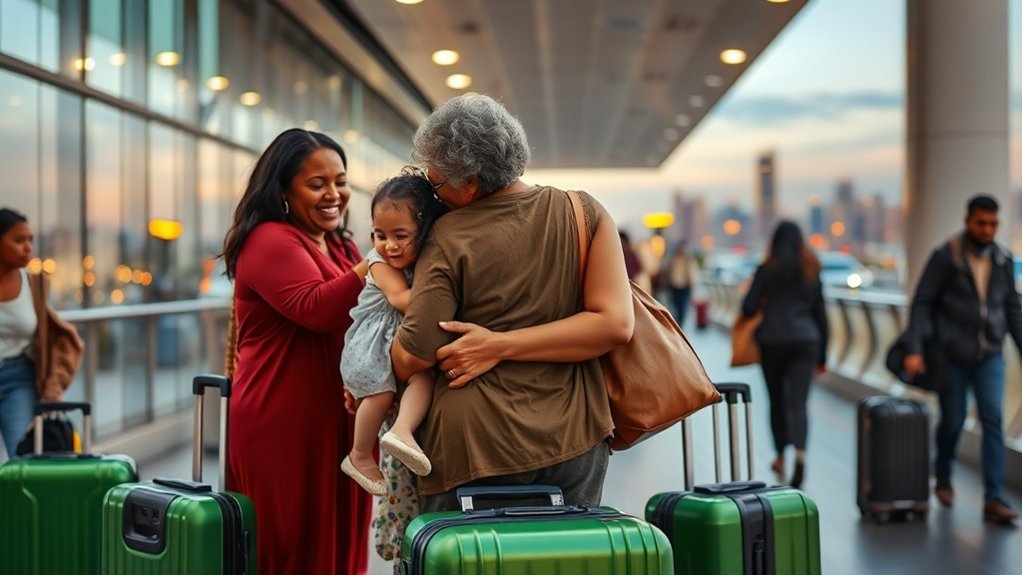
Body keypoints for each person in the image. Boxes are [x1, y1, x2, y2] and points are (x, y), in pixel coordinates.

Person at [378, 94, 633, 513]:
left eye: (437, 184)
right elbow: (615, 325)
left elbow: (414, 355)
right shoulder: (584, 212)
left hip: (473, 446)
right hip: (575, 438)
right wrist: (505, 344)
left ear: (470, 184)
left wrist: (493, 344)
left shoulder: (447, 236)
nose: (434, 196)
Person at [220, 128, 372, 573]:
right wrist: (380, 258)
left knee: (340, 539)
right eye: (317, 183)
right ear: (283, 189)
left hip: (337, 417)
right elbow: (316, 308)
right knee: (289, 546)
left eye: (340, 181)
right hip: (282, 421)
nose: (334, 194)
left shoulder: (341, 244)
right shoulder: (269, 238)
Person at [903, 194, 1020, 524]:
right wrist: (914, 349)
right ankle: (942, 473)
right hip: (951, 356)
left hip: (990, 356)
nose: (987, 229)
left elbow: (1013, 309)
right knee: (953, 419)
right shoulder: (947, 256)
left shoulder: (1002, 259)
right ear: (968, 221)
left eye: (993, 224)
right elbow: (922, 302)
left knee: (993, 419)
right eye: (981, 223)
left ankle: (994, 497)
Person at [340, 170, 447, 495]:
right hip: (370, 343)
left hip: (391, 341)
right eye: (379, 235)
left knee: (421, 380)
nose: (389, 245)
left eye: (401, 235)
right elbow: (402, 300)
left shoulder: (420, 260)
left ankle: (402, 431)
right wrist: (448, 290)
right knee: (380, 392)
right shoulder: (378, 263)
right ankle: (359, 454)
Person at [740, 221, 827, 489]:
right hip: (806, 341)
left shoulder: (767, 269)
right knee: (798, 402)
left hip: (773, 341)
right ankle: (800, 456)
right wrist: (823, 357)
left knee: (777, 400)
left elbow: (747, 307)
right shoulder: (811, 270)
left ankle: (780, 456)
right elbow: (821, 317)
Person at [665, 241, 698, 325]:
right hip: (674, 286)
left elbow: (692, 274)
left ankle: (680, 323)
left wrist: (692, 287)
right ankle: (678, 322)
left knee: (683, 307)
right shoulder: (673, 259)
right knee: (675, 305)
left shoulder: (688, 260)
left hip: (685, 287)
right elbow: (669, 271)